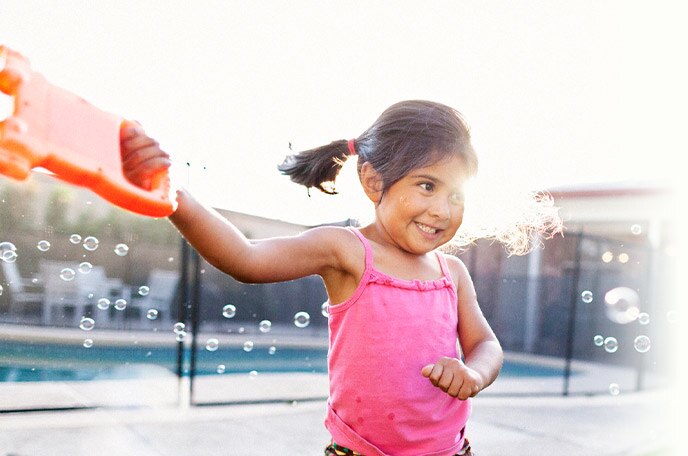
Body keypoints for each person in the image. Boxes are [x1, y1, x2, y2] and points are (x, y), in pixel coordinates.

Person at [120, 100, 553, 456]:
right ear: (372, 180)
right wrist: (173, 194)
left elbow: (485, 343)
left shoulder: (452, 273)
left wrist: (473, 374)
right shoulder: (347, 250)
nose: (443, 209)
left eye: (456, 194)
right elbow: (245, 258)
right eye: (427, 185)